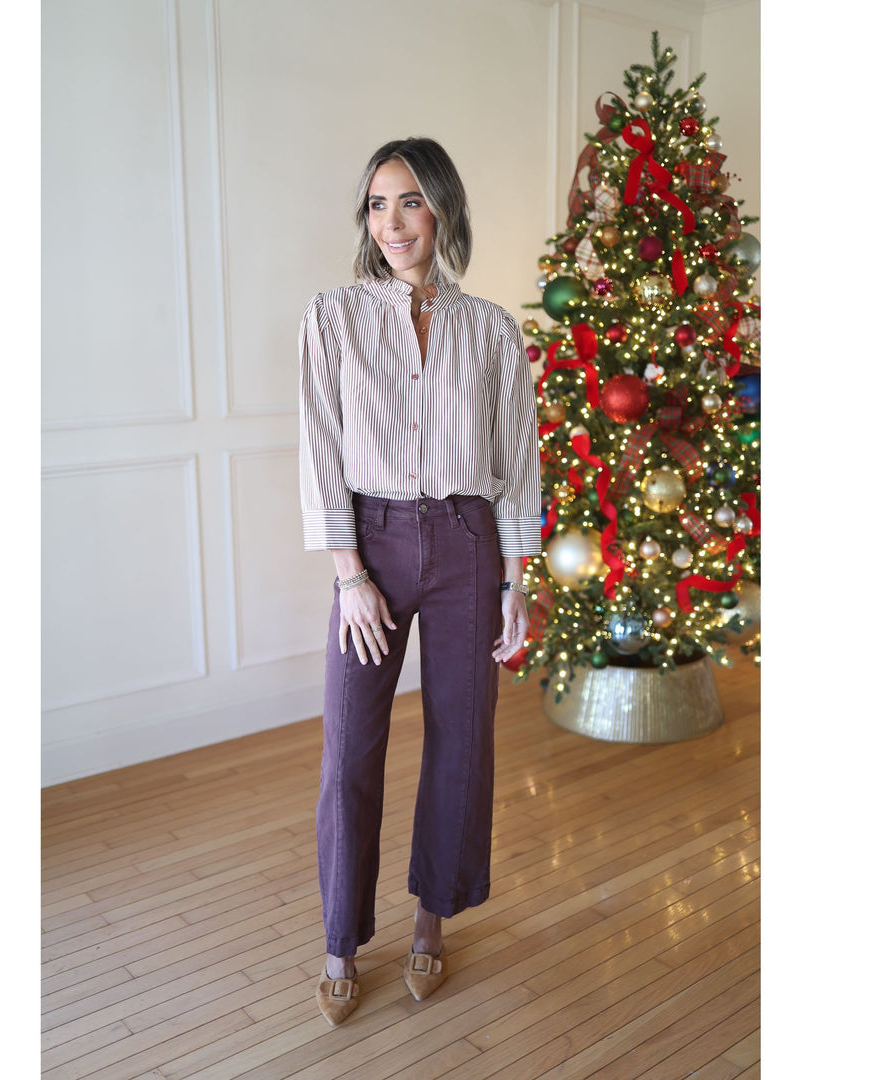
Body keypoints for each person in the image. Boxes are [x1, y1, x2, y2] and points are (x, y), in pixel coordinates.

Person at [298, 137, 541, 1026]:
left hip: (470, 544)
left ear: (441, 207)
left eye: (408, 202)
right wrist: (348, 574)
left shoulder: (491, 329)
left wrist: (517, 575)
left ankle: (431, 921)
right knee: (349, 749)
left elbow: (518, 460)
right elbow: (320, 448)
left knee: (461, 738)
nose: (391, 222)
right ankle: (338, 939)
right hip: (376, 541)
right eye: (376, 204)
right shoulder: (331, 317)